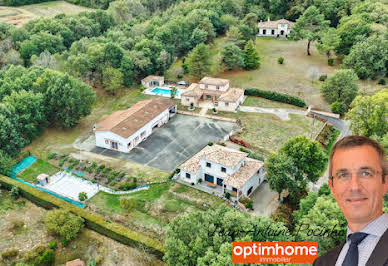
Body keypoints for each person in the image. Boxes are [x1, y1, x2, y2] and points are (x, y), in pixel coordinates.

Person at [314, 135, 388, 266]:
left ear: (385, 183)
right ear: (332, 188)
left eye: (366, 173)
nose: (355, 187)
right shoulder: (322, 262)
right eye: (343, 175)